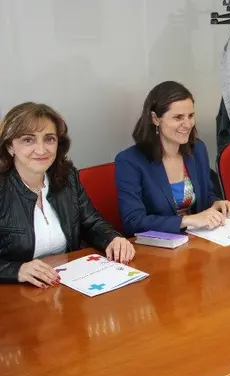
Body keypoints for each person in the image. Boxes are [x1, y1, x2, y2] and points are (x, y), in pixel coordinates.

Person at [0, 102, 134, 287]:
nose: (41, 150)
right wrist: (17, 270)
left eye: (49, 139)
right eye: (28, 140)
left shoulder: (67, 178)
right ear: (9, 146)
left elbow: (91, 222)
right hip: (14, 294)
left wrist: (113, 238)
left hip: (64, 284)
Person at [115, 81, 230, 237]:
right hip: (156, 249)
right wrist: (187, 220)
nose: (187, 124)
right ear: (155, 119)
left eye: (191, 116)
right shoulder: (129, 161)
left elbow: (206, 195)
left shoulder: (198, 149)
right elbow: (133, 222)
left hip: (199, 240)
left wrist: (217, 204)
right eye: (178, 117)